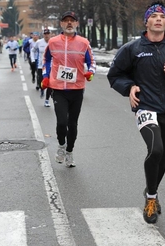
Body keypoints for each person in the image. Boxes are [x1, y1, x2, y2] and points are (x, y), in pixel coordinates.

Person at [107, 1, 165, 224]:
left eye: (162, 16)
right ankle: (151, 199)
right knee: (155, 149)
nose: (158, 19)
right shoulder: (132, 49)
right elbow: (115, 75)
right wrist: (129, 87)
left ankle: (152, 189)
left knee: (164, 156)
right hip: (145, 106)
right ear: (146, 21)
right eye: (154, 16)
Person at [42, 11, 96, 167]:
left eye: (72, 21)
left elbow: (92, 61)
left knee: (72, 124)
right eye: (66, 21)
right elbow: (46, 59)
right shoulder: (52, 42)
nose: (69, 23)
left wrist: (90, 72)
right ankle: (61, 146)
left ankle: (70, 151)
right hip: (58, 89)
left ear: (77, 24)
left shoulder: (83, 43)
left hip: (77, 89)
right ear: (61, 24)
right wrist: (46, 76)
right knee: (61, 122)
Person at [32, 28, 52, 105]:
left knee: (50, 83)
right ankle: (42, 90)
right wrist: (33, 59)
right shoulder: (39, 42)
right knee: (41, 82)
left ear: (50, 34)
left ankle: (47, 100)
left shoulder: (53, 42)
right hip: (41, 66)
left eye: (48, 34)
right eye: (45, 34)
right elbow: (32, 50)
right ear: (43, 35)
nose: (46, 35)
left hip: (51, 66)